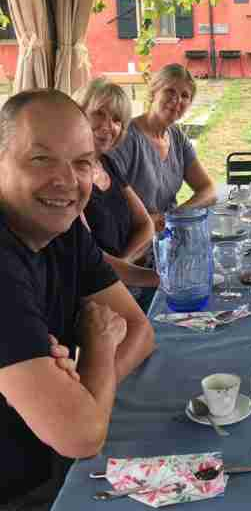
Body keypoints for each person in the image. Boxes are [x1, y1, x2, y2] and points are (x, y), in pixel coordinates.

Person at [0, 90, 155, 508]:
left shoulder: (65, 230)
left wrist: (87, 393)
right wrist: (99, 349)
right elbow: (80, 436)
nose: (67, 181)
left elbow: (141, 330)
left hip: (47, 466)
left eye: (82, 162)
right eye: (41, 158)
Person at [108, 63, 217, 233]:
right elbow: (106, 204)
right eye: (170, 91)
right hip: (133, 238)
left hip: (168, 233)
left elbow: (208, 190)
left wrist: (174, 216)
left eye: (185, 95)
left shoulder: (176, 136)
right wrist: (149, 223)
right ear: (153, 92)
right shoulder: (127, 138)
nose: (177, 100)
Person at [79, 78, 158, 288]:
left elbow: (146, 224)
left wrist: (125, 263)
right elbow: (89, 255)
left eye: (116, 119)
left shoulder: (106, 163)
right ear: (79, 114)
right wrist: (162, 280)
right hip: (99, 293)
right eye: (99, 114)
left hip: (128, 280)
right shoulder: (71, 176)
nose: (108, 126)